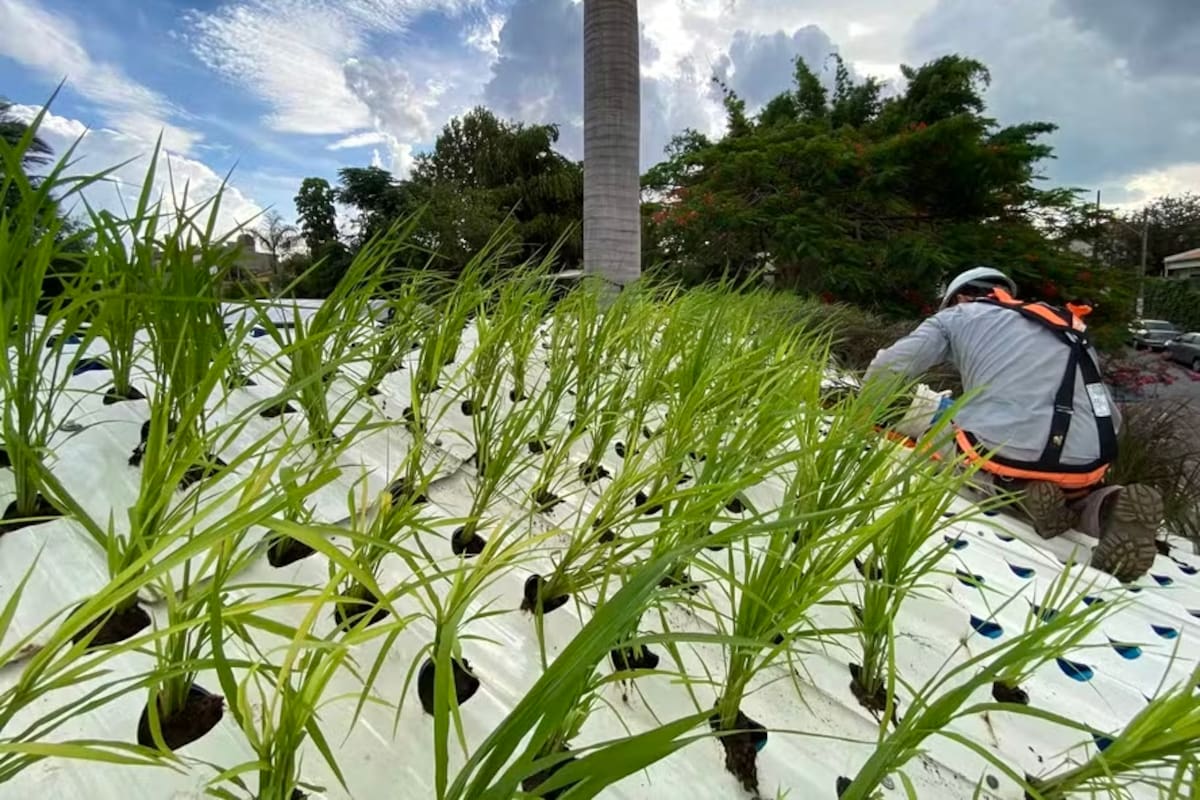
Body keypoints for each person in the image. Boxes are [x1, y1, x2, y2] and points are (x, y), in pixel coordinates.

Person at [864, 267, 1163, 582]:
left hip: (1011, 451)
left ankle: (1013, 490)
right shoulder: (1063, 322)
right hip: (1091, 454)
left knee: (937, 442)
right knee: (1077, 489)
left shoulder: (956, 316)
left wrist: (867, 408)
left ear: (959, 298)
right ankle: (1108, 503)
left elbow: (889, 367)